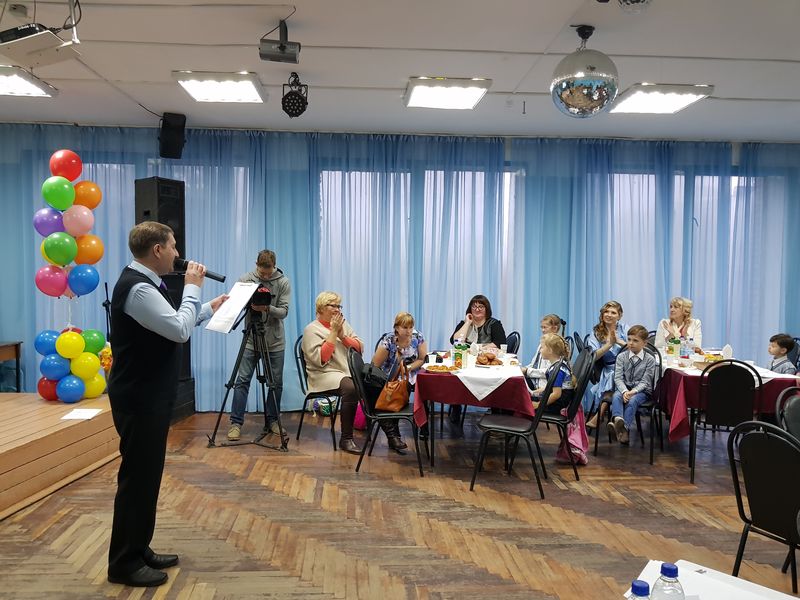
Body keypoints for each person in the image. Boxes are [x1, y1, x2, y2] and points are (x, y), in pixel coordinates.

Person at [107, 222, 227, 587]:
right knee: (137, 479)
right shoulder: (138, 288)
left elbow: (173, 322)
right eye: (173, 246)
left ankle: (138, 548)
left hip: (148, 395)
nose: (178, 253)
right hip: (139, 397)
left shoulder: (146, 282)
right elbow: (178, 330)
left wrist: (208, 307)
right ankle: (123, 563)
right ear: (157, 250)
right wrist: (193, 287)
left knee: (147, 477)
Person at [227, 250, 291, 441]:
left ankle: (273, 421)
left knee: (276, 383)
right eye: (262, 273)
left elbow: (284, 312)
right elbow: (235, 304)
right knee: (242, 381)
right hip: (251, 339)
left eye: (268, 273)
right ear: (256, 265)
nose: (265, 276)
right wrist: (246, 302)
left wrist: (267, 308)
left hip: (275, 341)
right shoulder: (245, 280)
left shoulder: (283, 282)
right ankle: (235, 423)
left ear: (274, 266)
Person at [301, 292, 364, 454]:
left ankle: (390, 434)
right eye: (333, 306)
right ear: (321, 308)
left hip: (344, 371)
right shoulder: (311, 330)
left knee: (373, 383)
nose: (337, 309)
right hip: (322, 374)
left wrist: (343, 336)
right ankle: (346, 438)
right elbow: (322, 358)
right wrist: (334, 332)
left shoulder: (344, 324)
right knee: (351, 388)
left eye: (339, 306)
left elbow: (359, 349)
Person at [371, 312, 428, 451]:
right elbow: (375, 365)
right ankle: (394, 434)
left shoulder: (418, 337)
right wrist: (396, 369)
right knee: (391, 391)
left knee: (421, 387)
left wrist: (407, 368)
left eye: (411, 327)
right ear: (396, 328)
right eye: (405, 327)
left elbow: (421, 359)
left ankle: (422, 426)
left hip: (411, 372)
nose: (409, 331)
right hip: (390, 374)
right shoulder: (389, 340)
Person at [449, 294, 507, 423]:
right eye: (474, 306)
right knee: (456, 376)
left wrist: (479, 349)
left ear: (487, 309)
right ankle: (456, 406)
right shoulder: (464, 323)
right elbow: (455, 341)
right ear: (470, 309)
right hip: (466, 362)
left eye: (481, 306)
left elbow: (500, 342)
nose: (477, 309)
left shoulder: (494, 324)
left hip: (487, 365)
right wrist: (468, 323)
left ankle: (495, 408)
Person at [607, 325, 656, 445]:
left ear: (644, 343)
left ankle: (622, 428)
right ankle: (618, 420)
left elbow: (646, 381)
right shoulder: (621, 357)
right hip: (624, 388)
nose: (630, 343)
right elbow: (618, 378)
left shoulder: (650, 359)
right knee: (616, 396)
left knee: (633, 400)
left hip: (642, 391)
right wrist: (625, 391)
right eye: (629, 339)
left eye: (635, 340)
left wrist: (633, 391)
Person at [584, 300, 628, 428]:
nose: (609, 314)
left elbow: (636, 348)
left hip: (628, 368)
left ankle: (600, 415)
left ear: (619, 315)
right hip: (608, 369)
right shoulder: (596, 332)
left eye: (613, 312)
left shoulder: (625, 329)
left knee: (617, 375)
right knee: (614, 376)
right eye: (606, 312)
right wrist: (609, 344)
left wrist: (618, 341)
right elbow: (593, 356)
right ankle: (616, 420)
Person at [529, 333, 575, 414]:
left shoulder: (557, 370)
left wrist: (539, 405)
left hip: (557, 404)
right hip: (557, 400)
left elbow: (556, 394)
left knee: (526, 407)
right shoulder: (557, 365)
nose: (540, 350)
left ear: (550, 350)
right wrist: (534, 392)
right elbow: (551, 387)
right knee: (528, 399)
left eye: (542, 347)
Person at [522, 314, 563, 390]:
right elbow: (534, 364)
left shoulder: (555, 347)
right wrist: (524, 368)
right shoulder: (544, 342)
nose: (543, 330)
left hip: (542, 386)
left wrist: (527, 371)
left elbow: (549, 372)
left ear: (555, 328)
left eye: (545, 327)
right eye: (542, 327)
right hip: (534, 380)